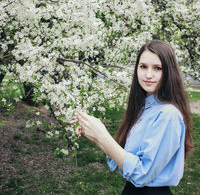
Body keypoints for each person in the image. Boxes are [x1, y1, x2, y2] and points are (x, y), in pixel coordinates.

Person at [75, 39, 193, 194]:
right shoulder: (143, 107)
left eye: (157, 68)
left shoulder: (168, 115)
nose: (148, 74)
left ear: (168, 72)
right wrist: (96, 135)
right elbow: (122, 158)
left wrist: (103, 136)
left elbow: (142, 174)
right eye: (143, 66)